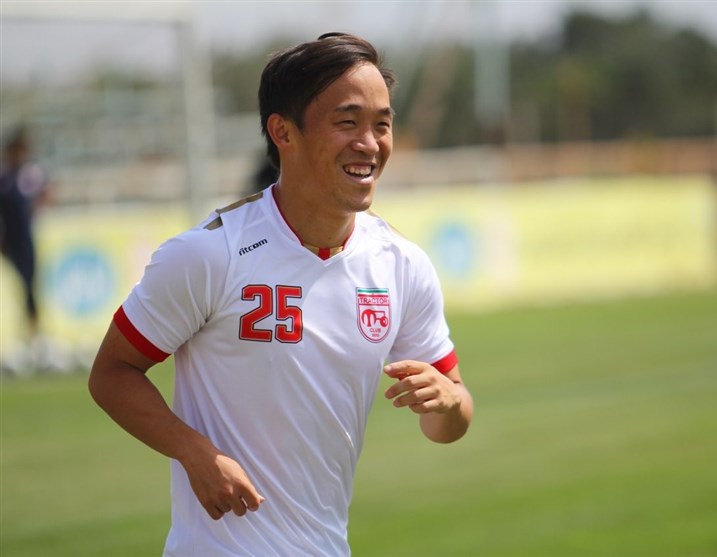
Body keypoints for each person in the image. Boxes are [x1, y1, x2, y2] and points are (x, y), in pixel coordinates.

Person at [89, 32, 473, 556]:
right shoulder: (210, 253)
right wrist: (194, 452)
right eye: (347, 122)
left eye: (382, 124)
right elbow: (112, 372)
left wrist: (448, 401)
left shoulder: (401, 265)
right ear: (283, 131)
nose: (369, 143)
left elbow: (448, 420)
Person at [0, 126, 51, 342]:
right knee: (17, 285)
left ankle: (32, 331)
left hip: (24, 239)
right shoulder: (5, 178)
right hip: (8, 240)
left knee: (29, 284)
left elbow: (45, 194)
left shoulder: (28, 175)